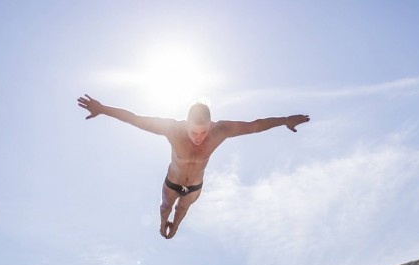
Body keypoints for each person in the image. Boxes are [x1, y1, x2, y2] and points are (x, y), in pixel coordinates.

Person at [77, 94, 310, 239]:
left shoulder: (221, 130)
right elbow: (135, 118)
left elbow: (255, 125)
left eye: (203, 132)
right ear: (186, 123)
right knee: (166, 206)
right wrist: (103, 109)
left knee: (181, 210)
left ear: (211, 125)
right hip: (173, 181)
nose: (198, 138)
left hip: (195, 186)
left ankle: (174, 228)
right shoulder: (172, 129)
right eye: (194, 132)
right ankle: (163, 225)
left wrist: (284, 120)